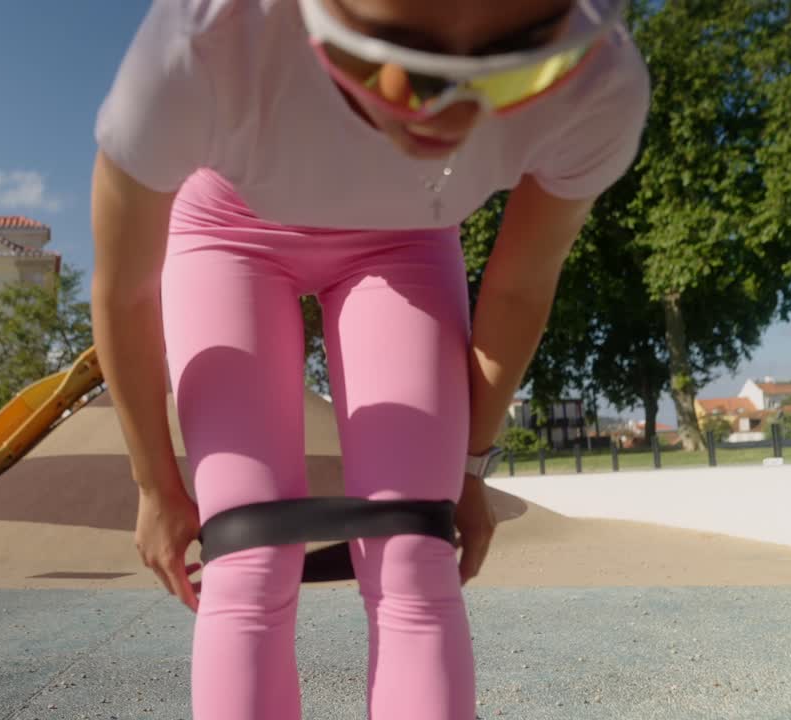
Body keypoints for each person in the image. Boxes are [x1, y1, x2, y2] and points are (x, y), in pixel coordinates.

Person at [89, 0, 650, 717]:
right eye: (385, 56)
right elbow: (127, 289)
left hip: (405, 240)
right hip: (230, 229)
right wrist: (154, 486)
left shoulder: (598, 81)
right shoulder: (205, 41)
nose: (444, 117)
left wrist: (467, 470)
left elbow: (518, 287)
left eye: (512, 69)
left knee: (414, 556)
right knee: (247, 559)